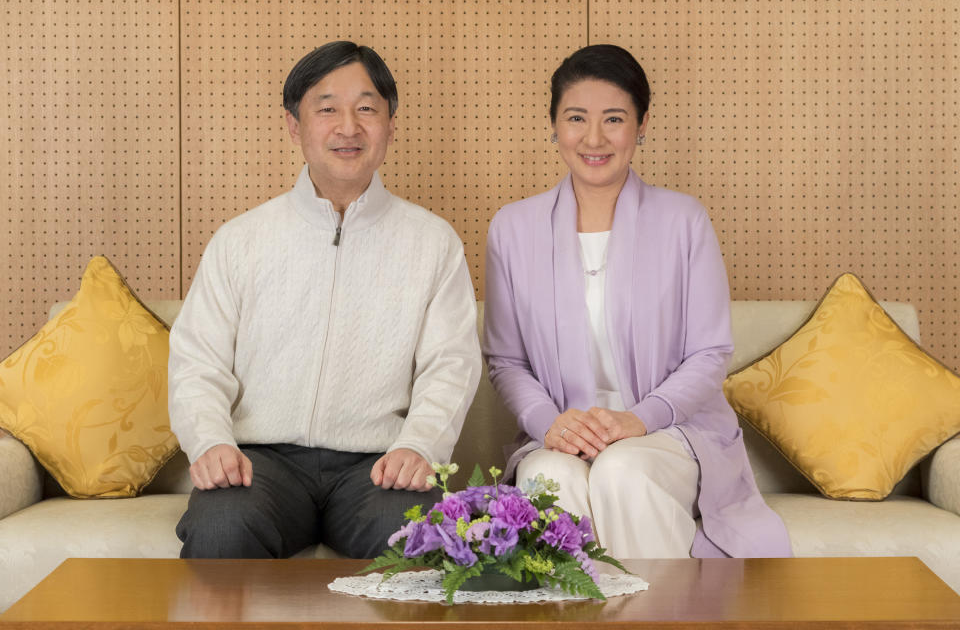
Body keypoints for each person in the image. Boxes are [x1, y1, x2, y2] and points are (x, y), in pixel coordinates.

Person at [168, 41, 481, 559]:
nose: (348, 127)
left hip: (378, 466)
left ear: (390, 124)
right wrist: (210, 442)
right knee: (221, 528)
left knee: (419, 539)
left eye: (366, 109)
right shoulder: (241, 240)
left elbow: (451, 364)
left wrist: (419, 444)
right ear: (295, 125)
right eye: (327, 108)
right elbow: (197, 361)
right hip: (261, 463)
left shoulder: (433, 242)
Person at [482, 44, 791, 559]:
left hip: (670, 432)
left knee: (622, 470)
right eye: (576, 118)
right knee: (548, 481)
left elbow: (710, 353)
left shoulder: (683, 221)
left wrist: (638, 419)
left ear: (641, 124)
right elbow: (506, 360)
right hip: (559, 433)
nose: (594, 138)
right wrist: (548, 422)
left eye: (614, 119)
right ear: (554, 125)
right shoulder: (512, 228)